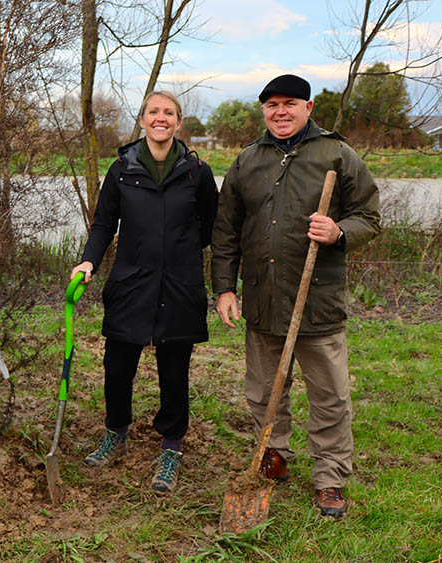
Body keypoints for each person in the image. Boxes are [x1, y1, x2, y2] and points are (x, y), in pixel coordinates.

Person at [210, 74, 381, 519]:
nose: (280, 111)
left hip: (317, 302)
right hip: (263, 300)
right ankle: (274, 456)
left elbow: (370, 216)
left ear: (308, 107)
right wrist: (225, 288)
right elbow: (225, 231)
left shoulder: (337, 154)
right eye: (271, 105)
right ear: (263, 110)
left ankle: (329, 479)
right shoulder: (247, 161)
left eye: (289, 103)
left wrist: (340, 231)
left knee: (330, 397)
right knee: (264, 390)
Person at [71, 91, 219, 494]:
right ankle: (115, 431)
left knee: (175, 373)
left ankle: (171, 447)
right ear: (142, 120)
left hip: (179, 287)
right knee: (118, 368)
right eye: (154, 111)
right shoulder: (122, 170)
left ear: (178, 122)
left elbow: (211, 225)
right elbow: (104, 224)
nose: (161, 118)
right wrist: (89, 261)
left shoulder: (197, 172)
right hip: (131, 284)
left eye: (168, 112)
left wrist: (180, 252)